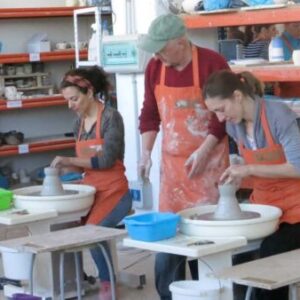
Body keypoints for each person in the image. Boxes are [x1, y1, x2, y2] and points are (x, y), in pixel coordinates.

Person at [137, 14, 229, 300]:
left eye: (162, 48)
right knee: (168, 240)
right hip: (173, 170)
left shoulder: (213, 64)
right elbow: (150, 114)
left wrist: (204, 150)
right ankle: (169, 295)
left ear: (181, 41)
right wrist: (145, 154)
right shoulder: (155, 68)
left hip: (210, 166)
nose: (157, 55)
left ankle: (209, 293)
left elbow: (225, 116)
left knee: (205, 241)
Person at [203, 69, 300, 300]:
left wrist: (249, 169)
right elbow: (248, 159)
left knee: (271, 253)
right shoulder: (234, 125)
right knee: (233, 254)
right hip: (265, 207)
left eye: (221, 109)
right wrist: (236, 170)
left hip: (296, 210)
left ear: (237, 96)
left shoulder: (278, 115)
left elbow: (298, 167)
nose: (219, 118)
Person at [50, 66, 132, 300]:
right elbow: (83, 164)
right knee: (67, 227)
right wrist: (64, 168)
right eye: (67, 100)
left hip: (116, 191)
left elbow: (106, 160)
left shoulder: (110, 117)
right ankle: (77, 280)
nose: (70, 105)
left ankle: (108, 284)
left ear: (89, 91)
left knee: (92, 233)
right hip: (91, 190)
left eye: (74, 99)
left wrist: (70, 159)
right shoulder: (79, 124)